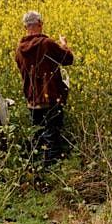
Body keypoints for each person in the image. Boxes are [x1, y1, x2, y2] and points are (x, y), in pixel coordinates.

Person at [15, 11, 74, 167]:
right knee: (52, 136)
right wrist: (63, 45)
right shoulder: (46, 43)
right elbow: (68, 59)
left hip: (32, 99)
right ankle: (51, 172)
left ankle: (38, 169)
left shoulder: (19, 49)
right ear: (40, 24)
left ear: (25, 27)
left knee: (39, 136)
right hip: (51, 97)